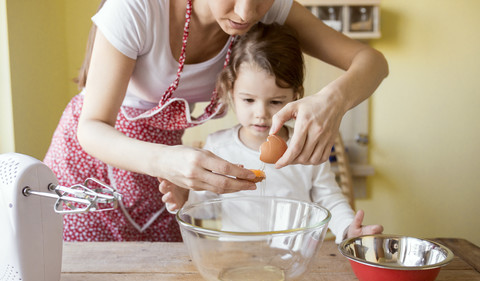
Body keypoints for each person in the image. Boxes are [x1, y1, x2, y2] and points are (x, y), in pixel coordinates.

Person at [44, 0, 388, 241]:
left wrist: (334, 99)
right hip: (93, 167)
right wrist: (165, 159)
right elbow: (91, 127)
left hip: (169, 168)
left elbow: (372, 61)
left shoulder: (270, 7)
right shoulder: (135, 9)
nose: (246, 13)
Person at [161, 22, 383, 243]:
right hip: (237, 262)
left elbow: (329, 199)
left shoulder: (307, 145)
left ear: (296, 96)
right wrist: (186, 198)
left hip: (292, 260)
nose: (261, 113)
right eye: (248, 100)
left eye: (276, 101)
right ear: (231, 91)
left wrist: (347, 229)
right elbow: (205, 208)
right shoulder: (218, 147)